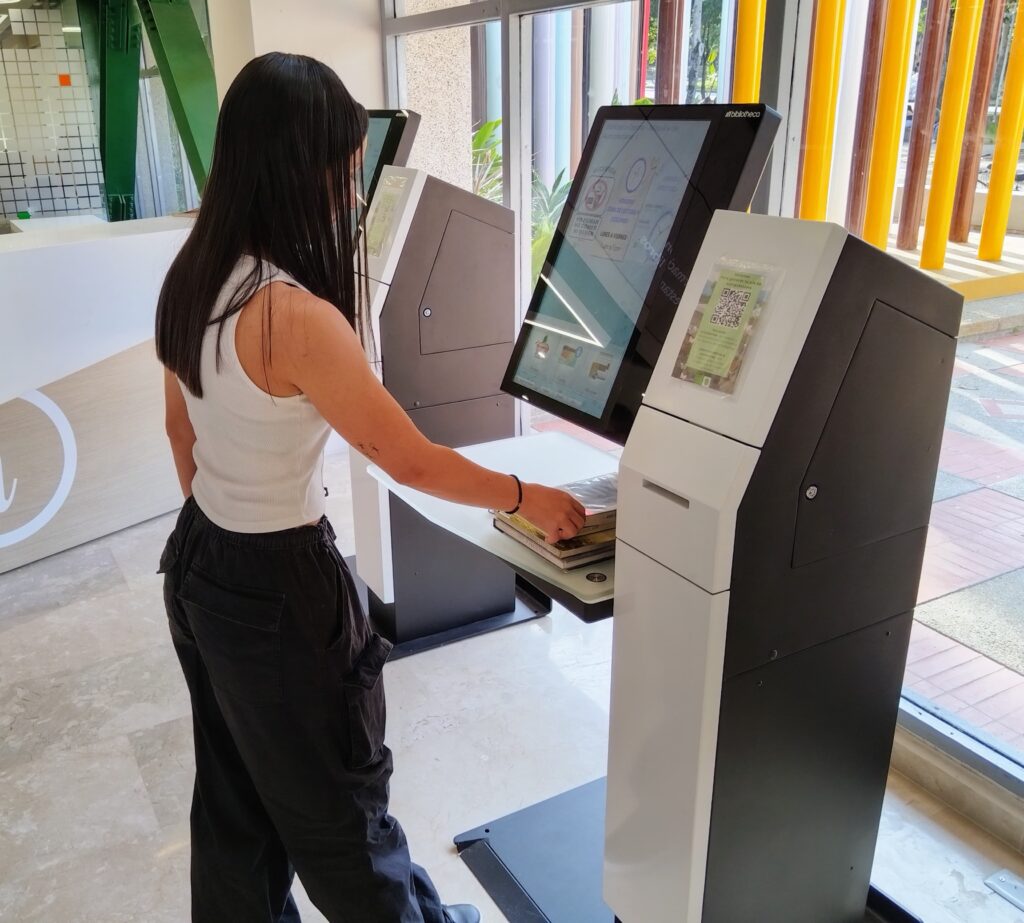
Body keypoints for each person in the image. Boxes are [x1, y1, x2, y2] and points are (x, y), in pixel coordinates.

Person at [155, 52, 584, 923]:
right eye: (345, 176)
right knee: (339, 813)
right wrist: (522, 495)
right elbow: (408, 457)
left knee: (235, 799)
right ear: (292, 169)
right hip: (281, 583)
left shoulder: (194, 273)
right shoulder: (294, 317)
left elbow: (180, 430)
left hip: (200, 561)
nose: (352, 200)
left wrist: (224, 532)